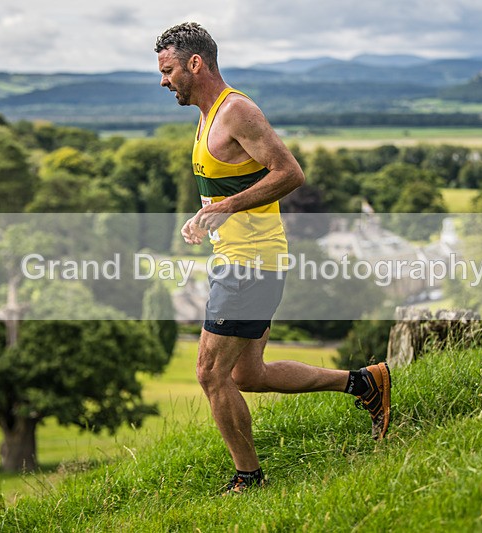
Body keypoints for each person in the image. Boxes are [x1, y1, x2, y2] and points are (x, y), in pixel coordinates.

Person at [155, 22, 391, 495]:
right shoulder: (207, 117)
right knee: (248, 374)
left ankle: (249, 477)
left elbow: (290, 173)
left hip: (251, 264)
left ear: (194, 64)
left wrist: (224, 208)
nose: (163, 81)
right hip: (242, 260)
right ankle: (366, 383)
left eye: (168, 70)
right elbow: (232, 189)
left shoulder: (236, 111)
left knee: (210, 372)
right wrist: (204, 216)